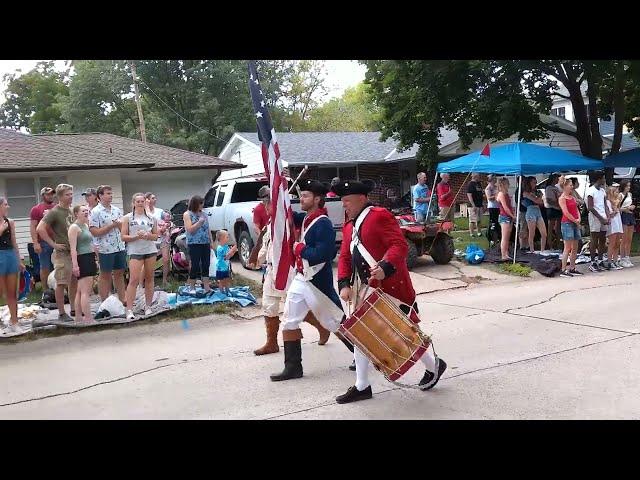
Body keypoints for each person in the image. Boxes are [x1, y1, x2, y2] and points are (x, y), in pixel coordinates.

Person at [333, 180, 447, 404]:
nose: (344, 205)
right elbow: (345, 257)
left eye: (347, 201)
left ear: (361, 198)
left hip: (389, 286)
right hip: (362, 288)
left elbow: (399, 246)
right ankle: (362, 385)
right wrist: (344, 283)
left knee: (404, 333)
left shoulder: (379, 215)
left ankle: (434, 365)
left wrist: (385, 267)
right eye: (342, 201)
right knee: (361, 335)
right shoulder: (349, 226)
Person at [270, 179, 344, 382]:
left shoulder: (324, 224)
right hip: (302, 279)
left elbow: (325, 253)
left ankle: (363, 354)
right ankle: (293, 367)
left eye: (305, 196)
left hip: (317, 281)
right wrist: (277, 195)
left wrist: (300, 249)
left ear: (317, 199)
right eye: (300, 195)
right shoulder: (308, 219)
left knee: (335, 321)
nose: (301, 198)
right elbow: (285, 214)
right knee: (289, 320)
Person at [37, 184, 77, 322]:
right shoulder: (54, 212)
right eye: (67, 194)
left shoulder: (72, 210)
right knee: (61, 282)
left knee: (74, 280)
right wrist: (52, 244)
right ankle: (61, 313)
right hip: (62, 252)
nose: (70, 196)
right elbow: (40, 228)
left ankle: (73, 308)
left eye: (71, 194)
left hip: (74, 252)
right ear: (60, 196)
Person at [122, 193, 159, 320]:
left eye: (142, 201)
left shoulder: (151, 217)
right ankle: (129, 309)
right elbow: (123, 236)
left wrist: (148, 235)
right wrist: (136, 236)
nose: (140, 203)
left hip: (150, 250)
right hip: (135, 251)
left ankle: (148, 306)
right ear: (133, 203)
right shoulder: (127, 218)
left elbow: (156, 236)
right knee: (133, 280)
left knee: (149, 278)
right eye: (137, 201)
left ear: (145, 202)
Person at [90, 185, 126, 301]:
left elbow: (123, 228)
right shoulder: (96, 212)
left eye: (111, 193)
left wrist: (121, 226)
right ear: (100, 196)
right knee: (105, 275)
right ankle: (104, 301)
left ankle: (122, 299)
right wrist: (111, 225)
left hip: (119, 246)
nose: (111, 196)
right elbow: (94, 231)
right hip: (105, 248)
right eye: (108, 193)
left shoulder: (116, 210)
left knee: (120, 273)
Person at [0, 197, 26, 334]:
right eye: (5, 204)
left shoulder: (10, 222)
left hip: (10, 256)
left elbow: (14, 242)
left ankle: (14, 321)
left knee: (12, 292)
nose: (8, 207)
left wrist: (19, 260)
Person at [69, 205, 97, 324]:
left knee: (80, 291)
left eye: (87, 210)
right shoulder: (74, 228)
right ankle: (88, 317)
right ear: (76, 213)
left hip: (89, 256)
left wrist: (95, 256)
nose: (86, 212)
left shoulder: (86, 225)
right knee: (86, 291)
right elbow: (73, 248)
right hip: (82, 258)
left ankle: (79, 317)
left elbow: (90, 243)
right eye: (83, 211)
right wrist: (75, 265)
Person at [183, 195, 214, 294]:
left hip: (205, 242)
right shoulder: (187, 214)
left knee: (206, 264)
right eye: (200, 203)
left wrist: (211, 241)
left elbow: (208, 228)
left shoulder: (204, 214)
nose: (202, 205)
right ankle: (192, 286)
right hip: (194, 243)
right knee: (195, 265)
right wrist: (199, 223)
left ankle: (206, 287)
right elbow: (190, 230)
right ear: (195, 204)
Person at [29, 186, 56, 288]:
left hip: (57, 241)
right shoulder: (36, 209)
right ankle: (46, 291)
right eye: (48, 194)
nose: (50, 196)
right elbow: (33, 227)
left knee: (58, 267)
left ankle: (57, 289)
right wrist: (35, 243)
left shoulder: (57, 207)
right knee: (45, 267)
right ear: (43, 195)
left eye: (52, 194)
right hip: (43, 243)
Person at [558, 179, 583, 278]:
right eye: (570, 185)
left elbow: (576, 209)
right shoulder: (562, 198)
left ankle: (572, 267)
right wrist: (575, 220)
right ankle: (563, 269)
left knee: (575, 246)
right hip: (567, 223)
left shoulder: (572, 197)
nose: (572, 187)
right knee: (567, 247)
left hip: (575, 222)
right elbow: (566, 212)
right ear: (565, 186)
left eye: (572, 185)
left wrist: (579, 218)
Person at [145, 192, 170, 287]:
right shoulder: (144, 211)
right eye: (152, 198)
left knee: (166, 259)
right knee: (150, 261)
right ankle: (147, 282)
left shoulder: (160, 211)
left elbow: (167, 220)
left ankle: (164, 280)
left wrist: (167, 226)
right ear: (147, 200)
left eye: (155, 198)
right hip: (151, 239)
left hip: (163, 238)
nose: (155, 200)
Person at [586, 172, 610, 272]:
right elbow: (591, 207)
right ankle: (592, 262)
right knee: (594, 239)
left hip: (603, 216)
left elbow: (605, 205)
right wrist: (601, 218)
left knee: (603, 239)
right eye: (603, 178)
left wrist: (607, 216)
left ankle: (600, 260)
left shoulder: (602, 191)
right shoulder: (591, 191)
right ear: (598, 179)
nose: (604, 180)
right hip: (595, 217)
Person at [522, 176, 547, 253]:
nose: (535, 184)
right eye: (534, 182)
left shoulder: (536, 192)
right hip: (531, 211)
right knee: (532, 232)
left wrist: (540, 198)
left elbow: (542, 203)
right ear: (529, 183)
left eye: (536, 182)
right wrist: (540, 197)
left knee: (544, 233)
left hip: (537, 211)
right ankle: (531, 249)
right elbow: (537, 200)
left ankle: (542, 250)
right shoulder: (526, 193)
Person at [496, 177, 515, 261]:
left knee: (507, 237)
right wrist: (513, 215)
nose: (509, 185)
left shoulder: (506, 193)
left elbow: (509, 206)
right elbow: (505, 207)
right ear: (503, 184)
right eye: (507, 183)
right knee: (504, 237)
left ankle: (506, 253)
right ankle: (503, 255)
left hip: (508, 216)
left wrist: (512, 214)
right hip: (504, 217)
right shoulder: (501, 194)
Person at [606, 185, 624, 270]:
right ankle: (609, 261)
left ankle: (615, 261)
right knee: (612, 243)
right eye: (616, 192)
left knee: (617, 243)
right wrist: (615, 210)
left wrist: (617, 207)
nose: (617, 193)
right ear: (611, 193)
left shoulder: (616, 202)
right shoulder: (608, 202)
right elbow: (610, 214)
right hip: (612, 223)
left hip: (618, 222)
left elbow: (618, 211)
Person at [618, 180, 635, 268]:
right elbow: (617, 208)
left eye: (629, 186)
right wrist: (626, 208)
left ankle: (627, 257)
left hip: (630, 215)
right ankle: (622, 258)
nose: (628, 187)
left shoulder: (630, 194)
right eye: (627, 186)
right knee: (623, 238)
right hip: (624, 215)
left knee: (629, 238)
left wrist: (632, 207)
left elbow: (630, 203)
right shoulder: (620, 195)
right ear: (623, 186)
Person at [215, 230, 237, 295]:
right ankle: (221, 292)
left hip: (225, 267)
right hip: (220, 268)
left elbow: (229, 256)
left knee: (227, 280)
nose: (228, 238)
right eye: (227, 237)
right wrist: (232, 250)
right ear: (221, 239)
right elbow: (226, 257)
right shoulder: (220, 248)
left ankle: (227, 291)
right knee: (222, 281)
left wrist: (233, 252)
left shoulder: (226, 246)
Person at [544, 174, 562, 250]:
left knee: (558, 228)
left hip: (558, 209)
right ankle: (550, 245)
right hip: (552, 209)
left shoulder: (556, 188)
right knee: (550, 228)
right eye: (556, 178)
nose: (558, 180)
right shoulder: (548, 188)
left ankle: (558, 244)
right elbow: (549, 200)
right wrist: (557, 204)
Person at [466, 173, 483, 237]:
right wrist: (473, 205)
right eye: (478, 176)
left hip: (479, 204)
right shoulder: (470, 184)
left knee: (479, 220)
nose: (479, 177)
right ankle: (471, 233)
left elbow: (481, 194)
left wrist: (483, 203)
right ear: (475, 177)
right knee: (472, 220)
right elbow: (469, 195)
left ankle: (479, 232)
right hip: (473, 205)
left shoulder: (479, 184)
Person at [485, 174, 501, 244]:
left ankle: (498, 236)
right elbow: (489, 198)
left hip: (497, 206)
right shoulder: (488, 188)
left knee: (497, 222)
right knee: (493, 222)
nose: (496, 180)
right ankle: (491, 237)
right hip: (492, 207)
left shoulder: (496, 187)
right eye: (494, 179)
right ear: (491, 180)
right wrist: (496, 195)